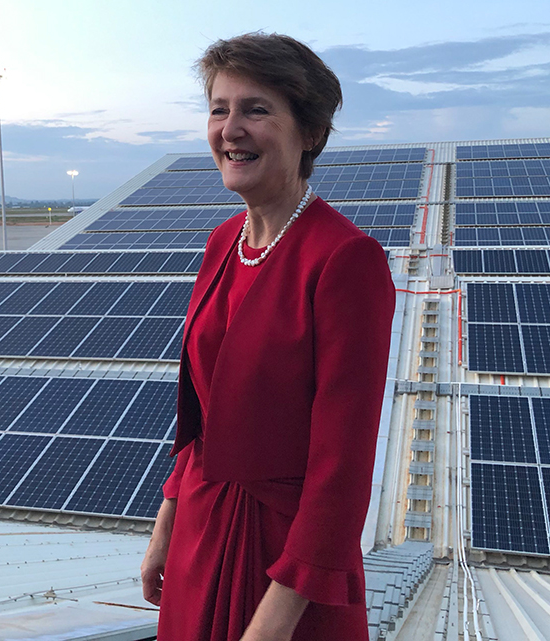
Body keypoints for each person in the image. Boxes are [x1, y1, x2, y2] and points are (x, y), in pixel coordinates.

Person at [140, 32, 395, 641]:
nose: (231, 129)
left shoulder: (345, 259)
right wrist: (166, 525)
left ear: (310, 132)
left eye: (256, 110)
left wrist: (273, 622)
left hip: (288, 561)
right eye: (219, 109)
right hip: (201, 529)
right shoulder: (222, 242)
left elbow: (343, 467)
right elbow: (200, 417)